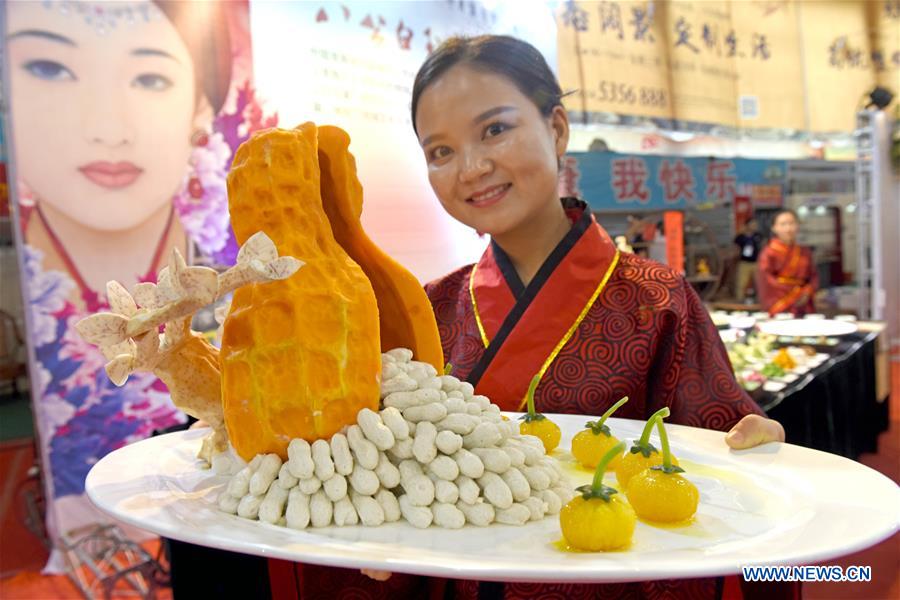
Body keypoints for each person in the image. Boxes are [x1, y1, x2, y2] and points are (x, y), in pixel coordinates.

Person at [271, 35, 788, 600]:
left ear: (557, 129)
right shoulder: (427, 306)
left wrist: (757, 447)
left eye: (495, 129)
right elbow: (379, 469)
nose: (470, 168)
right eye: (440, 152)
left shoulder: (656, 300)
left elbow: (715, 465)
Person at [5, 0, 248, 567]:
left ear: (199, 108)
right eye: (50, 69)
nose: (109, 128)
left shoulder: (236, 272)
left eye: (149, 76)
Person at [756, 209, 818, 316]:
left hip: (803, 302)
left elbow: (813, 276)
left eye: (792, 223)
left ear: (798, 226)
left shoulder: (804, 251)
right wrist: (796, 294)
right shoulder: (769, 252)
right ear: (774, 228)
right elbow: (766, 280)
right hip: (780, 302)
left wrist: (807, 292)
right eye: (783, 224)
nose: (788, 228)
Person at [733, 218, 763, 301]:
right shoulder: (740, 237)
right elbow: (736, 248)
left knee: (759, 282)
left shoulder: (758, 235)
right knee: (741, 282)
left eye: (755, 224)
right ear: (747, 225)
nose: (754, 226)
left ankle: (760, 299)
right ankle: (740, 299)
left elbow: (763, 246)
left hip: (756, 262)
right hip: (744, 262)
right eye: (752, 224)